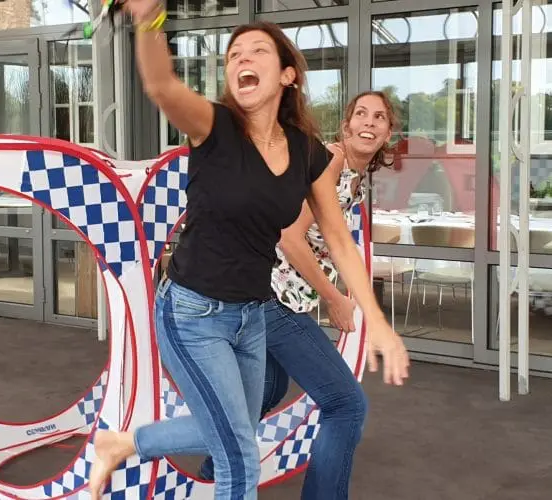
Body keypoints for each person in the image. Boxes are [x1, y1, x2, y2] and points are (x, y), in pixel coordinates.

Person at [86, 5, 411, 500]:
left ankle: (124, 443)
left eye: (258, 50)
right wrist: (149, 20)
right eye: (234, 53)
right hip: (192, 312)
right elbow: (162, 86)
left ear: (286, 75)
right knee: (239, 457)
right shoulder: (213, 126)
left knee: (234, 427)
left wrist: (378, 322)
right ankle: (131, 445)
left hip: (251, 317)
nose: (242, 58)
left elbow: (340, 241)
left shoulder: (305, 150)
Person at [194, 90, 405, 499]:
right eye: (361, 114)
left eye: (379, 117)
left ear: (387, 133)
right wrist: (333, 297)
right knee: (346, 405)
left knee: (266, 389)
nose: (369, 122)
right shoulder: (331, 162)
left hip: (271, 296)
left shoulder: (355, 179)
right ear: (346, 125)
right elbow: (289, 237)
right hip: (271, 297)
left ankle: (209, 478)